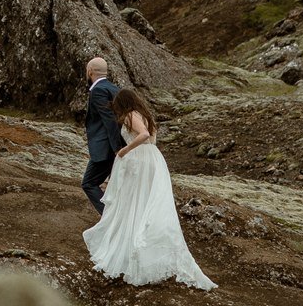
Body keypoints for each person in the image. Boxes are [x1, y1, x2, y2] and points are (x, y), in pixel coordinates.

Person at [83, 86, 216, 291]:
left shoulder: (130, 115)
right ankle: (137, 246)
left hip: (139, 160)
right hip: (151, 158)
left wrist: (126, 150)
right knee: (143, 202)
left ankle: (133, 247)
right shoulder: (144, 114)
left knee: (133, 201)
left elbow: (144, 135)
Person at [81, 56, 123, 215]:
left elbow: (109, 120)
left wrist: (116, 148)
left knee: (89, 183)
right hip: (115, 145)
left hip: (106, 147)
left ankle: (110, 217)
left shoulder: (98, 90)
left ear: (89, 71)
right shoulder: (114, 88)